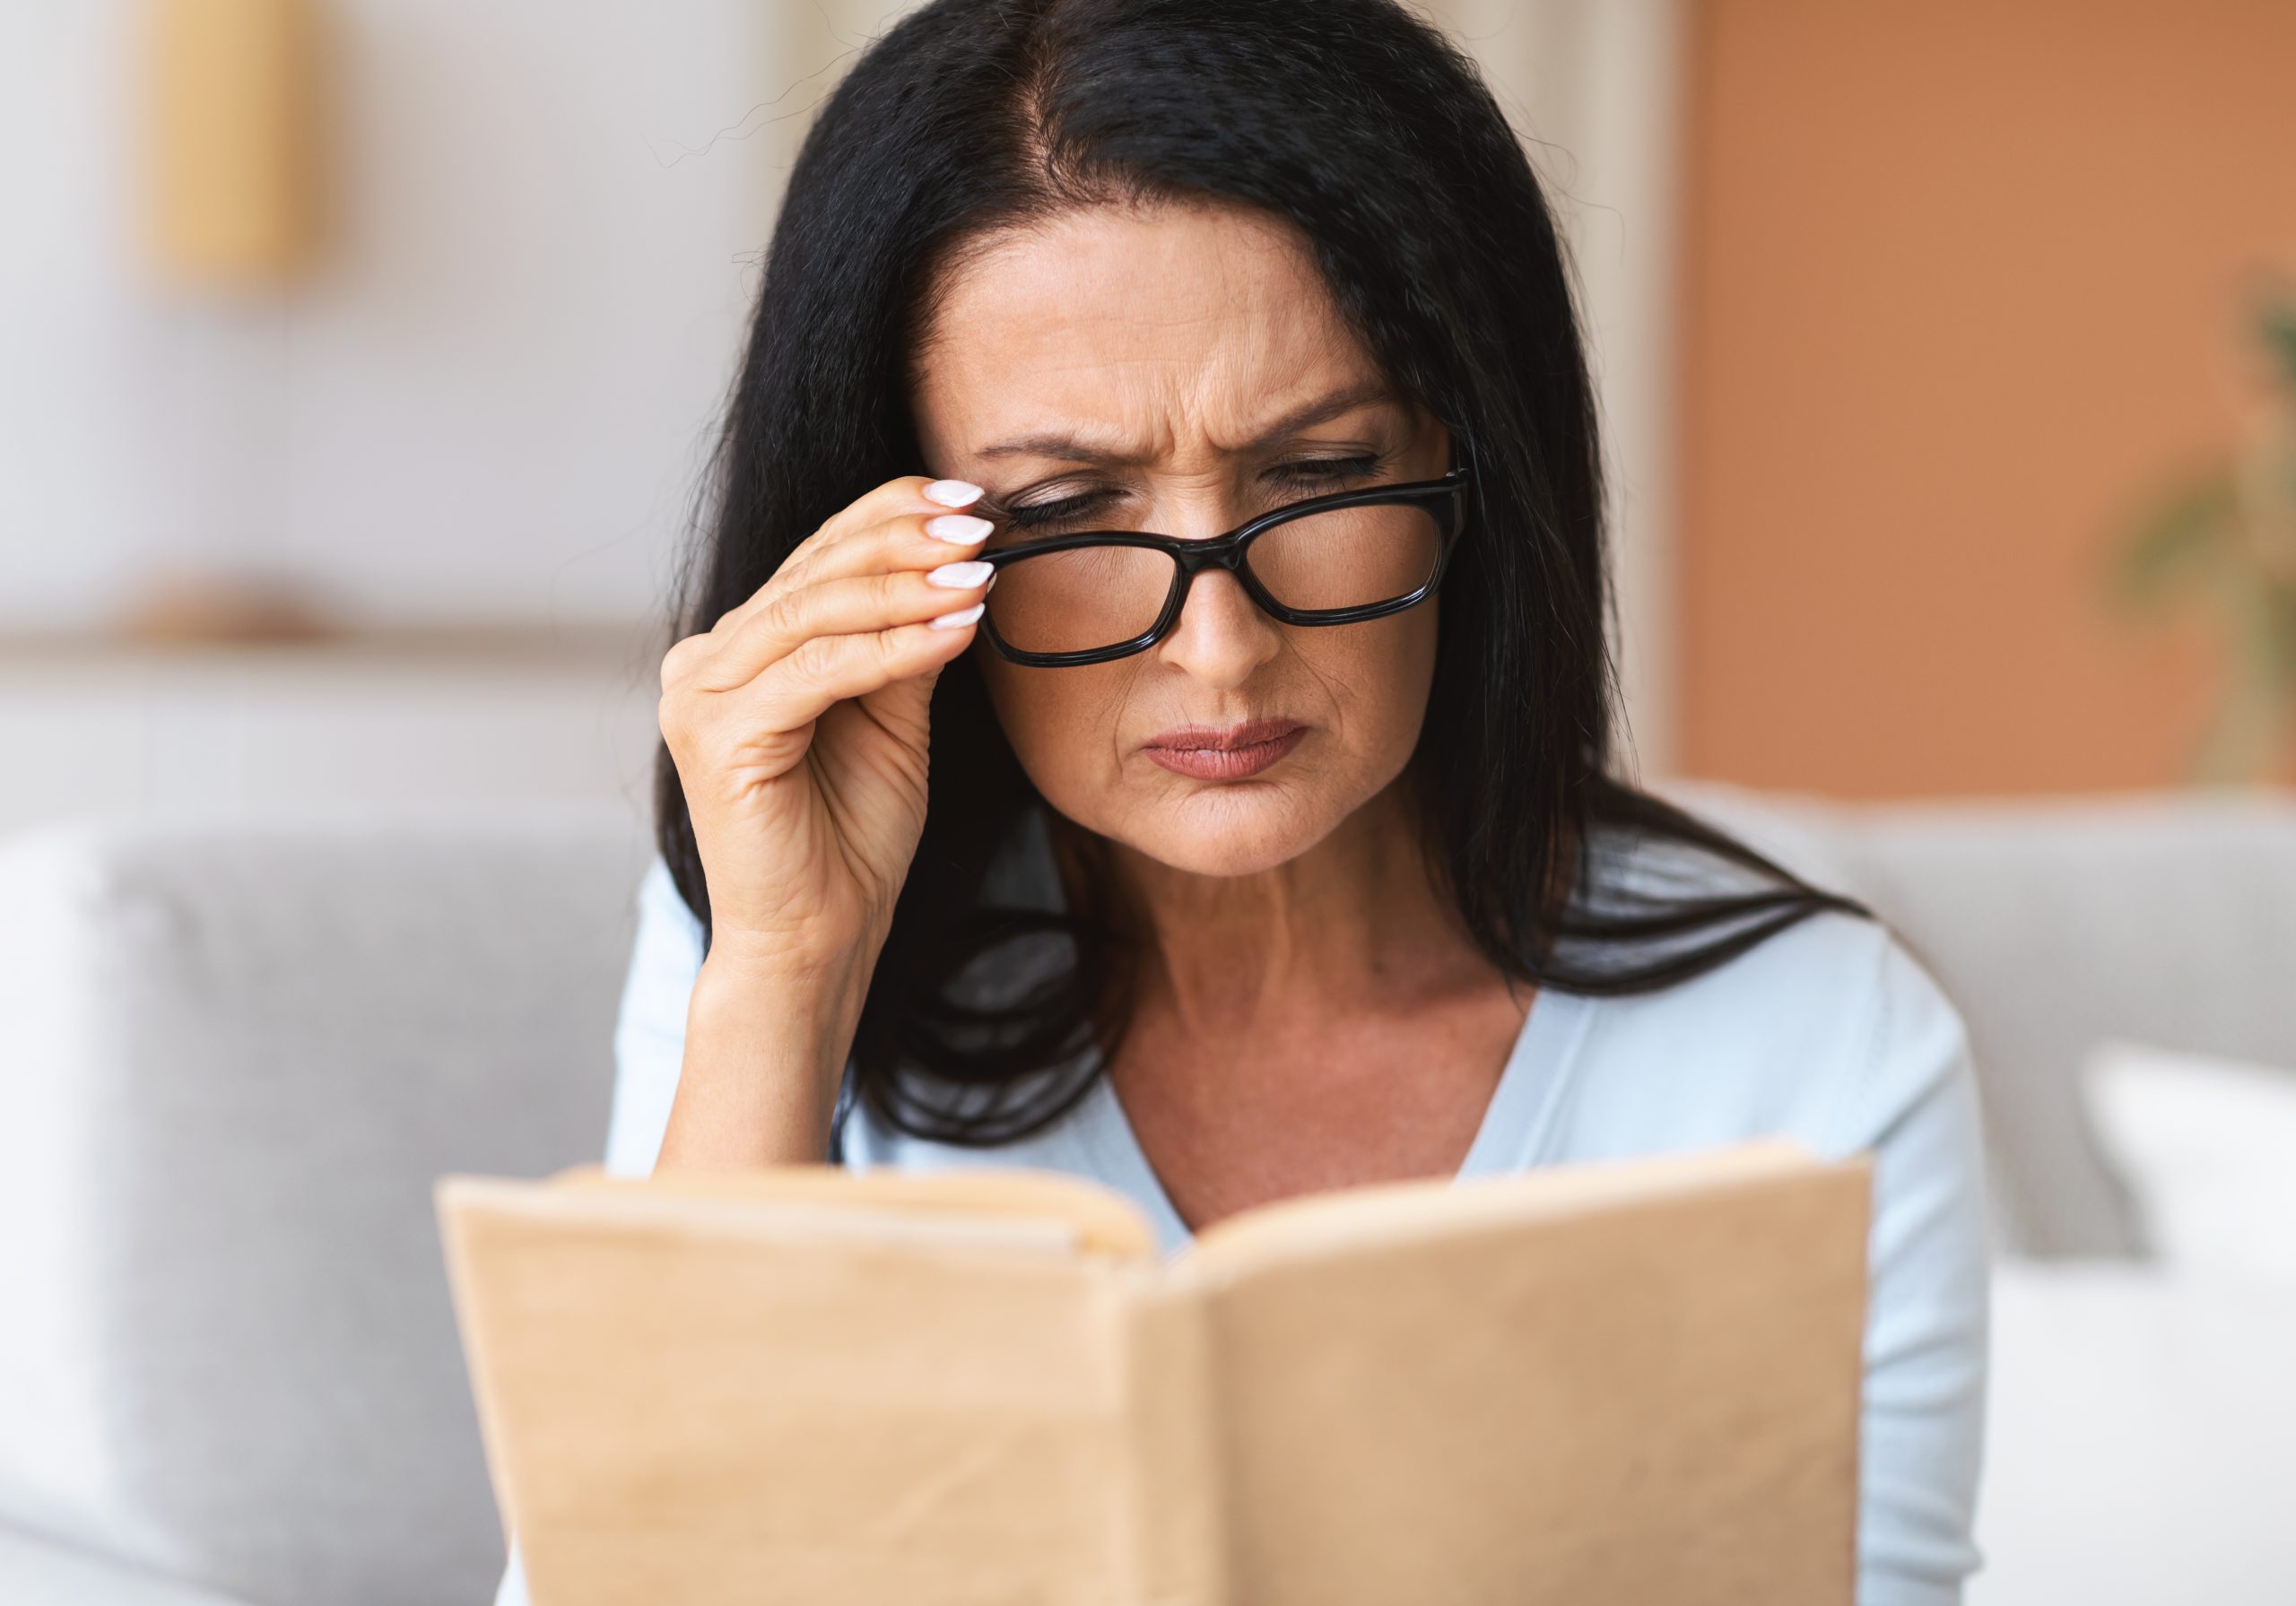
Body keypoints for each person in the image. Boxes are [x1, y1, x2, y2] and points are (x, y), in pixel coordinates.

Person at [494, 0, 1990, 1601]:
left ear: (1469, 474)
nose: (1222, 647)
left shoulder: (1814, 1045)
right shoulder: (769, 962)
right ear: (896, 542)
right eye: (1068, 507)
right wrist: (783, 984)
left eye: (1323, 477)